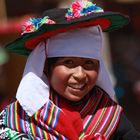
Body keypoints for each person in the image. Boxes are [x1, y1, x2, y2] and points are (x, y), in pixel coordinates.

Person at [0, 0, 140, 139]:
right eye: (69, 63)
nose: (80, 74)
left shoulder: (109, 114)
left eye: (89, 63)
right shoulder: (17, 119)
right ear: (46, 67)